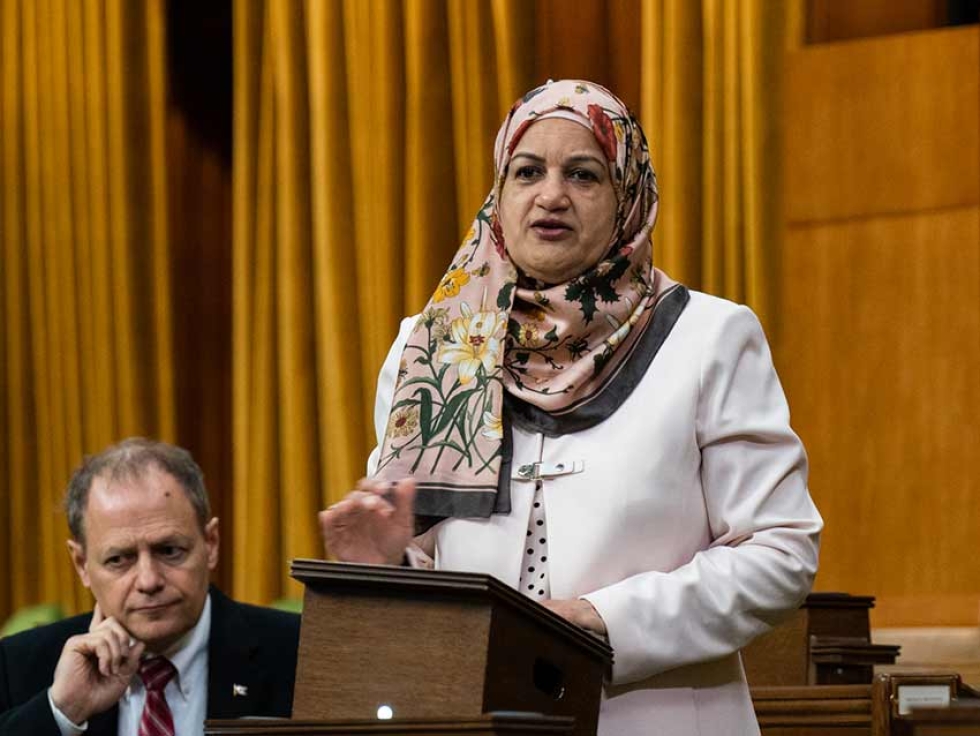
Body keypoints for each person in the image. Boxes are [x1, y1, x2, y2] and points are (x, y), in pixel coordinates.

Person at [319, 79, 822, 735]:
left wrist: (603, 621)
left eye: (583, 174)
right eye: (527, 171)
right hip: (477, 720)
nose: (550, 195)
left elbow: (779, 554)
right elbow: (430, 583)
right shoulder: (440, 351)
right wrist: (381, 567)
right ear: (499, 196)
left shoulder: (708, 339)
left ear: (627, 199)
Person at [0, 438, 300, 736]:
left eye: (169, 551)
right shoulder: (19, 669)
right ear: (81, 564)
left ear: (211, 544)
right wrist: (63, 712)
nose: (148, 581)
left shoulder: (298, 654)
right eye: (118, 559)